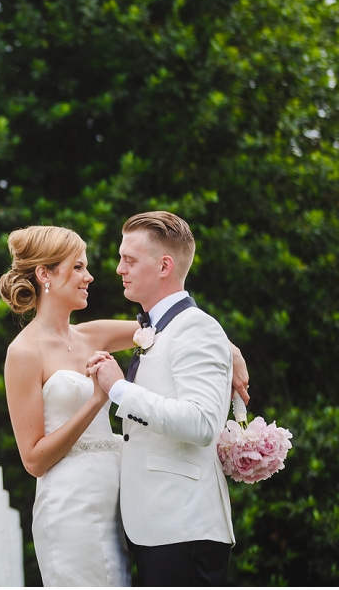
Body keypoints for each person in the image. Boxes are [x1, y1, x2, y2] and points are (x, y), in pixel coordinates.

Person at [0, 224, 248, 587]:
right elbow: (33, 459)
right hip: (72, 501)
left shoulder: (92, 334)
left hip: (121, 502)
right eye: (78, 267)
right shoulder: (23, 352)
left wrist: (232, 351)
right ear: (44, 275)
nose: (91, 276)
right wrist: (99, 399)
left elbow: (173, 325)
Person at [87, 211, 236, 586]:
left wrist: (118, 388)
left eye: (130, 259)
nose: (120, 268)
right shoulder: (156, 328)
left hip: (183, 525)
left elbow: (201, 424)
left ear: (165, 265)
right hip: (157, 525)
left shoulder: (196, 328)